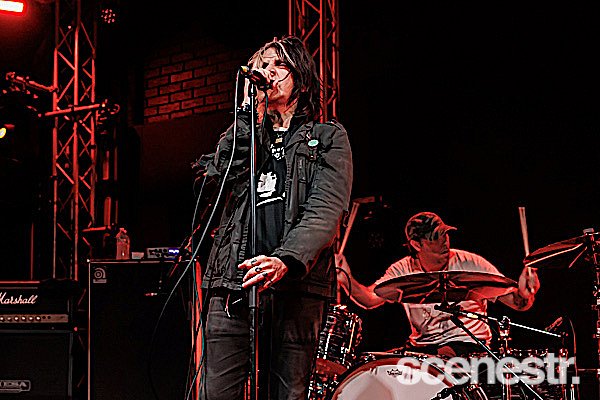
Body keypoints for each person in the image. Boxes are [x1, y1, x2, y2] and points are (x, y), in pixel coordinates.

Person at [196, 35, 353, 400]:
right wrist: (249, 114)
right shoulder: (246, 132)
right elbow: (216, 178)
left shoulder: (328, 137)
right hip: (234, 282)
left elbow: (325, 209)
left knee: (287, 393)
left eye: (279, 65)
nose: (268, 71)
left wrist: (285, 259)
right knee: (215, 392)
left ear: (301, 79)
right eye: (263, 65)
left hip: (296, 288)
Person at [335, 211, 540, 358]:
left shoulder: (470, 263)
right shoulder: (402, 269)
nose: (444, 241)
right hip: (422, 349)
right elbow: (370, 300)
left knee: (439, 358)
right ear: (417, 244)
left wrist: (526, 294)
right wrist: (346, 278)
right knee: (377, 364)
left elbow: (517, 303)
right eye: (435, 237)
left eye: (445, 234)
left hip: (468, 348)